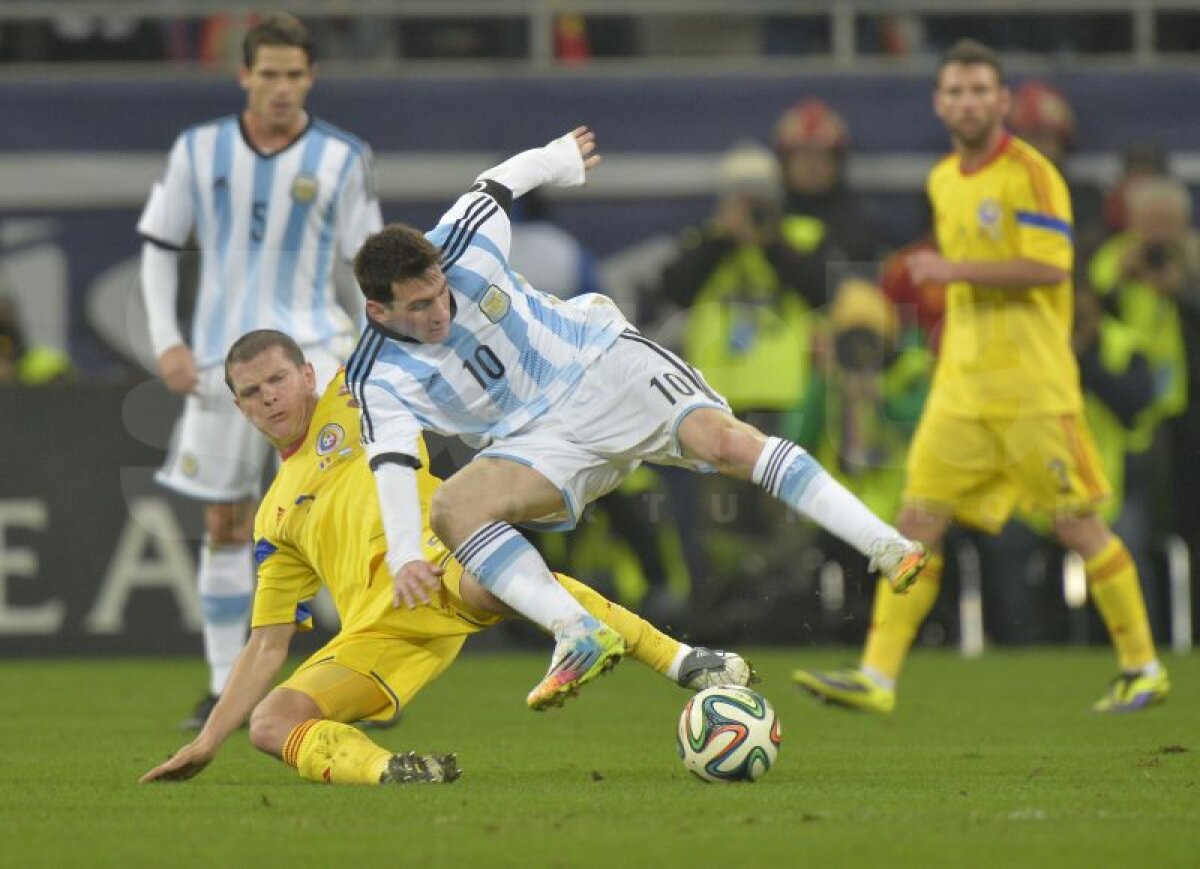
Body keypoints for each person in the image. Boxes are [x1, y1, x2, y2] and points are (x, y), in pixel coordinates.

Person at [346, 126, 927, 712]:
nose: (439, 311)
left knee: (724, 444)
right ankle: (576, 632)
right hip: (534, 440)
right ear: (378, 309)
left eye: (439, 292)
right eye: (418, 306)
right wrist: (405, 554)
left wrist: (560, 159)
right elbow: (392, 461)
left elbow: (501, 180)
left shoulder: (462, 241)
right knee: (453, 510)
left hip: (600, 362)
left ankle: (885, 544)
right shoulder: (375, 376)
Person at [140, 330, 752, 786]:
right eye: (251, 392)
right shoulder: (274, 515)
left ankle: (683, 660)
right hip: (379, 635)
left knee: (498, 579)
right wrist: (207, 742)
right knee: (271, 724)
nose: (269, 397)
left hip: (438, 566)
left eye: (277, 379)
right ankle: (392, 771)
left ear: (306, 373)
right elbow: (266, 644)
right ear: (240, 407)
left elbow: (436, 342)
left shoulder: (361, 393)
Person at [792, 39, 1170, 714]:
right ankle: (878, 676)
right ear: (939, 104)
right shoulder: (944, 179)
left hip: (1031, 387)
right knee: (917, 523)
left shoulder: (1032, 173)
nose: (967, 102)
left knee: (1077, 525)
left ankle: (1142, 667)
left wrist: (954, 269)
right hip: (961, 388)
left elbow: (1051, 267)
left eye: (979, 91)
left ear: (1002, 101)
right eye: (956, 91)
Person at [137, 13, 383, 730]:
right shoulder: (199, 149)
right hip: (223, 363)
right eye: (268, 73)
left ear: (311, 77)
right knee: (224, 520)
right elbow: (159, 245)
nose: (281, 87)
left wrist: (374, 353)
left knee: (340, 515)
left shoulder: (343, 157)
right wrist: (167, 342)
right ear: (244, 74)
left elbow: (365, 263)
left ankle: (359, 674)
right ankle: (224, 687)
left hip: (316, 358)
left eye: (294, 74)